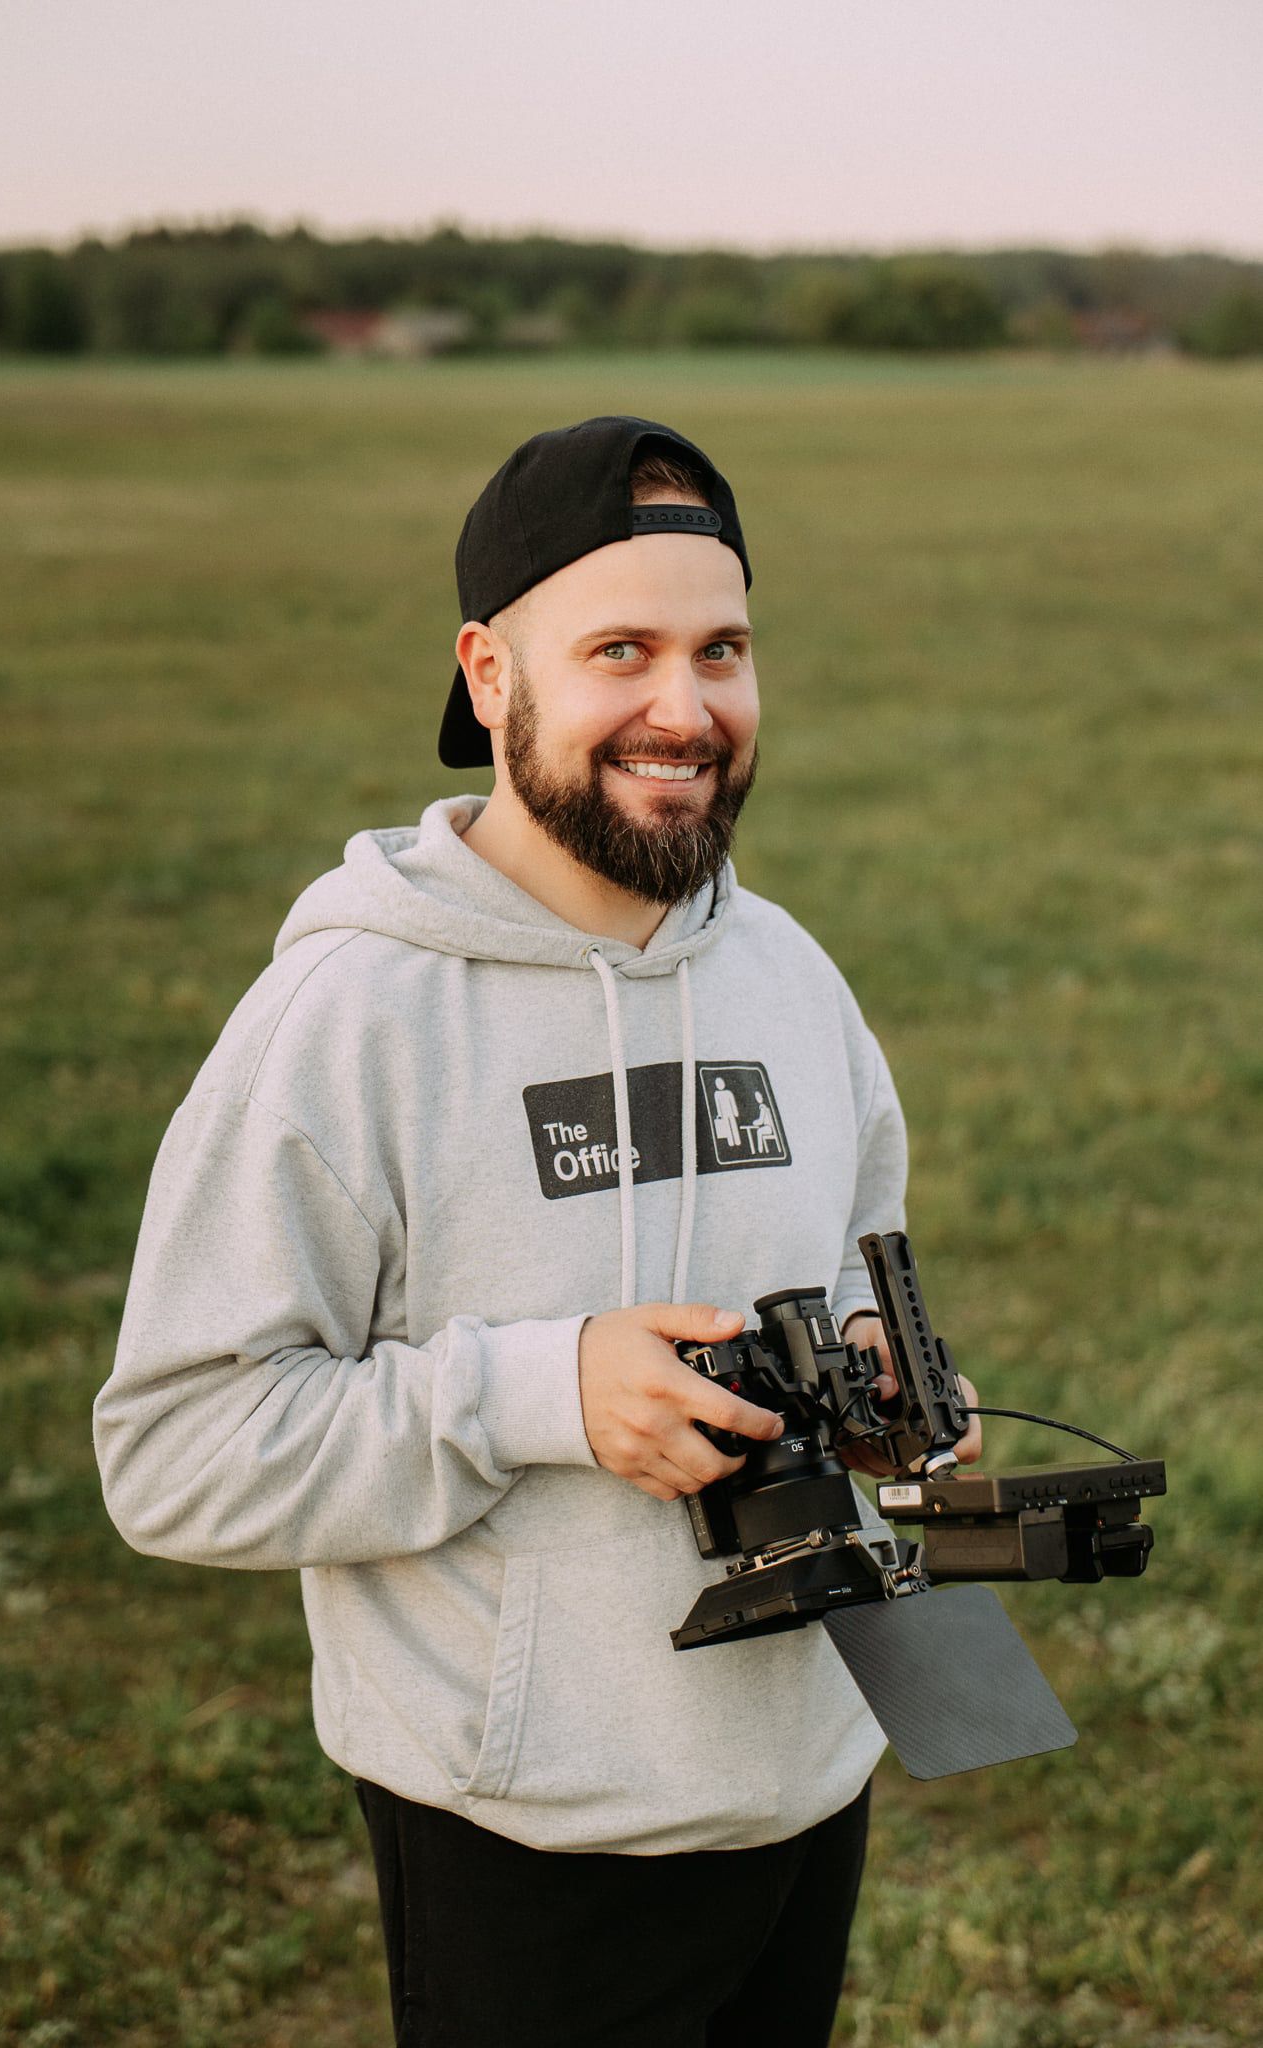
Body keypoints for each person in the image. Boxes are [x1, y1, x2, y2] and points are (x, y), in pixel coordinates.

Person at [94, 415, 980, 2047]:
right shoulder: (353, 1020)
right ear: (489, 672)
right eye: (618, 652)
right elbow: (176, 1451)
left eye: (721, 650)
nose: (684, 709)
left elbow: (860, 1258)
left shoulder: (787, 975)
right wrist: (541, 1393)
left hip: (804, 1778)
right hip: (528, 1831)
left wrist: (882, 1388)